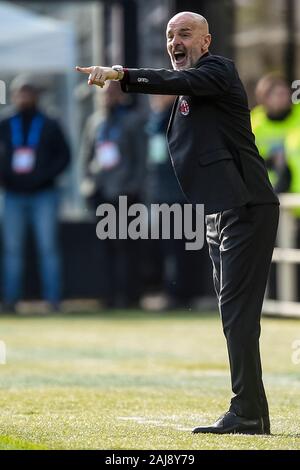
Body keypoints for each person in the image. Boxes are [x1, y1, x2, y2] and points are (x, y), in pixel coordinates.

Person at [76, 11, 279, 435]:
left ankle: (246, 411)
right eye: (170, 35)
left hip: (245, 206)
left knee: (238, 315)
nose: (175, 42)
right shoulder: (191, 86)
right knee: (233, 315)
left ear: (206, 42)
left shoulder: (217, 71)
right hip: (219, 210)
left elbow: (178, 82)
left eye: (184, 34)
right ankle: (253, 411)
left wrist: (120, 74)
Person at [0, 75, 70, 312]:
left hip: (44, 194)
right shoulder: (6, 124)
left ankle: (53, 301)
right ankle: (10, 301)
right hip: (12, 195)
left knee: (48, 248)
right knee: (12, 250)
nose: (24, 97)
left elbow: (64, 156)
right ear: (13, 96)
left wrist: (44, 175)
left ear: (36, 96)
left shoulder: (50, 123)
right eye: (20, 93)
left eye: (29, 93)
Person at [80, 82, 146, 308]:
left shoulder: (132, 120)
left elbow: (141, 158)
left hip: (125, 192)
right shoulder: (95, 121)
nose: (106, 97)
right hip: (101, 191)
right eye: (103, 93)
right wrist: (87, 184)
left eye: (111, 93)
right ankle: (108, 295)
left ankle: (130, 296)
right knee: (104, 247)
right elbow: (86, 155)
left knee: (127, 246)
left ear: (120, 95)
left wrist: (134, 186)